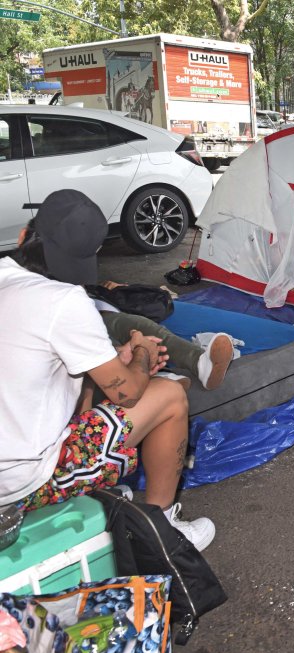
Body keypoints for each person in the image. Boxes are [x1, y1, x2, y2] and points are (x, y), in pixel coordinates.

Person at [0, 190, 215, 551]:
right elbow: (127, 393)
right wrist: (143, 354)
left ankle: (94, 491)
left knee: (85, 380)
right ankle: (162, 533)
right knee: (170, 394)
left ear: (24, 235)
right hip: (18, 483)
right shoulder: (63, 300)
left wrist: (115, 356)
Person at [91, 281, 233, 391]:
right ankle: (151, 376)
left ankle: (201, 363)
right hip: (78, 323)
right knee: (101, 340)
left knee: (141, 325)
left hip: (98, 309)